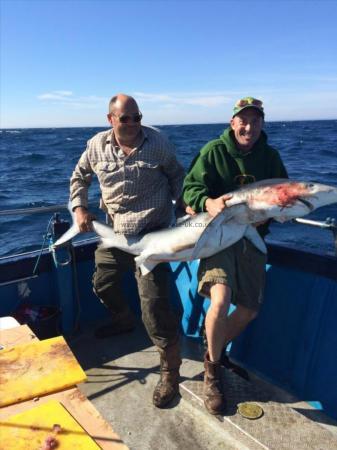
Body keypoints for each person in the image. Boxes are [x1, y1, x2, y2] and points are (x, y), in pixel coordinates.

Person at [70, 93, 185, 408]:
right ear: (111, 119)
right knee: (102, 283)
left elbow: (178, 177)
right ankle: (123, 319)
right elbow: (79, 178)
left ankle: (170, 374)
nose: (133, 123)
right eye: (125, 118)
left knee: (154, 308)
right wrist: (80, 208)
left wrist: (187, 209)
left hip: (153, 235)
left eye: (137, 117)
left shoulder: (158, 142)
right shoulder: (96, 145)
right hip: (117, 234)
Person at [183, 97, 288, 415]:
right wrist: (207, 202)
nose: (249, 127)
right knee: (219, 300)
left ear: (261, 125)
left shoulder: (270, 157)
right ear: (232, 123)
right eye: (243, 120)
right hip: (219, 236)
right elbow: (189, 188)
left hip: (252, 238)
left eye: (255, 121)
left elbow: (283, 192)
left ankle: (211, 346)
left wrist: (270, 215)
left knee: (248, 310)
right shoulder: (213, 151)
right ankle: (213, 374)